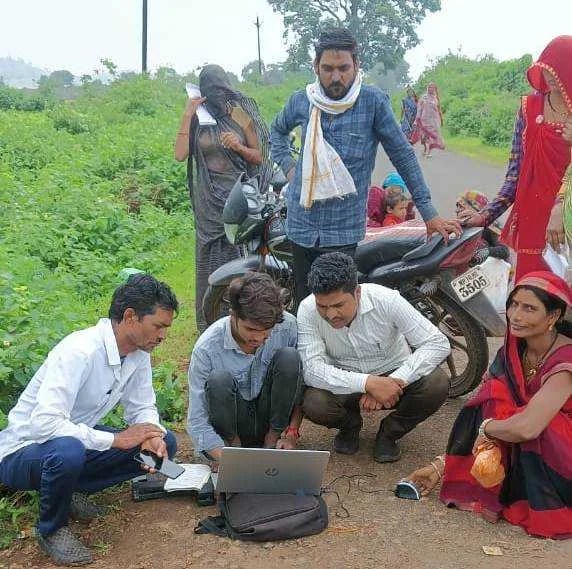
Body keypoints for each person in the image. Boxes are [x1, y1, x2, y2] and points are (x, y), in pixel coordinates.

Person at [270, 28, 460, 303]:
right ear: (316, 67)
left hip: (343, 231)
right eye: (328, 68)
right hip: (301, 226)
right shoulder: (302, 101)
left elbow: (403, 154)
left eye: (344, 68)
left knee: (340, 308)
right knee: (307, 305)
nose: (336, 77)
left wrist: (428, 212)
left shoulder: (372, 102)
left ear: (356, 65)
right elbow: (277, 131)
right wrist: (290, 168)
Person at [0, 274, 179, 565]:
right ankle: (52, 529)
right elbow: (44, 424)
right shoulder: (80, 351)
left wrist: (152, 435)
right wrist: (116, 440)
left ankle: (68, 489)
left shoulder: (138, 353)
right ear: (130, 317)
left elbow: (142, 406)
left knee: (166, 444)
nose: (162, 336)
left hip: (75, 441)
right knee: (67, 451)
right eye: (158, 326)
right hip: (24, 450)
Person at [406, 271, 572, 539]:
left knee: (537, 424)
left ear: (553, 316)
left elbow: (527, 428)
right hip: (530, 436)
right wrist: (441, 466)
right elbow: (495, 415)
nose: (516, 316)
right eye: (514, 304)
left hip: (562, 449)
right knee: (493, 398)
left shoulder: (566, 360)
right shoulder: (514, 350)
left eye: (529, 308)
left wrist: (487, 428)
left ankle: (544, 498)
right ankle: (515, 487)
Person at [298, 252, 450, 463]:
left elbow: (437, 343)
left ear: (357, 292)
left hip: (394, 374)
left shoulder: (387, 300)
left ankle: (390, 432)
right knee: (313, 402)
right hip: (345, 382)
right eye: (322, 307)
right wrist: (368, 383)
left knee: (437, 383)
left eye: (339, 305)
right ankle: (349, 425)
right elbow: (311, 369)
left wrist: (395, 380)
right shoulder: (307, 309)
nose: (331, 315)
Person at [459, 36, 572, 281]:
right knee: (530, 290)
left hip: (568, 219)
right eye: (545, 68)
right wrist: (486, 215)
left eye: (558, 69)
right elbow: (515, 174)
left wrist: (562, 210)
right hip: (532, 220)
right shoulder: (528, 108)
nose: (550, 75)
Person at [174, 64, 272, 333]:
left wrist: (238, 146)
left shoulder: (238, 112)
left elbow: (258, 157)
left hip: (238, 200)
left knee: (237, 256)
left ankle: (241, 317)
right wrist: (187, 114)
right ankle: (209, 322)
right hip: (209, 205)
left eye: (220, 89)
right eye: (211, 91)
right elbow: (180, 154)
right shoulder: (198, 116)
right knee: (209, 258)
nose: (217, 96)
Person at [187, 272, 304, 470]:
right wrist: (229, 459)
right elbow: (197, 421)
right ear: (233, 315)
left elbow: (300, 387)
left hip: (270, 419)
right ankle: (234, 445)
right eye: (250, 329)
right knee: (219, 380)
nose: (258, 338)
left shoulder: (287, 326)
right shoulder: (207, 348)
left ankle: (271, 441)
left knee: (290, 358)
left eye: (266, 331)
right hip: (231, 426)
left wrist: (291, 433)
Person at [454, 191, 510, 260]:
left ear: (474, 209)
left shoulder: (488, 228)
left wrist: (486, 252)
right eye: (457, 206)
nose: (457, 210)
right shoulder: (455, 227)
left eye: (461, 206)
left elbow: (505, 250)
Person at [414, 82, 445, 158]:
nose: (431, 89)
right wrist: (417, 119)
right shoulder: (423, 97)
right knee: (424, 137)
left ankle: (428, 152)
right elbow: (419, 109)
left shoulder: (436, 98)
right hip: (424, 120)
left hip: (433, 120)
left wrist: (441, 119)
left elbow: (438, 109)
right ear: (427, 88)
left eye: (433, 87)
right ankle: (425, 149)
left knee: (432, 136)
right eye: (430, 87)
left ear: (435, 89)